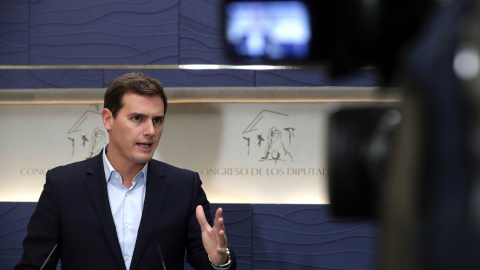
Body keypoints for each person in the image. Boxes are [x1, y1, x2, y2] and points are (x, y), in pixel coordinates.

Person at [15, 73, 236, 270]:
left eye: (157, 120)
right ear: (108, 119)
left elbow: (207, 259)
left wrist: (219, 261)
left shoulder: (184, 186)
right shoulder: (63, 186)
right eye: (137, 118)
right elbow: (35, 264)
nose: (150, 131)